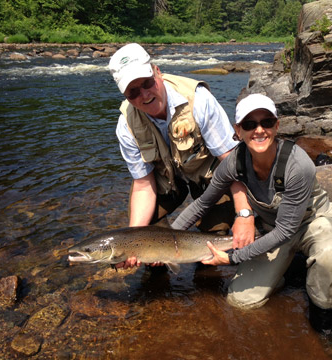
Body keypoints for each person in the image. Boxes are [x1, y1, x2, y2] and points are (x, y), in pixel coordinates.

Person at [171, 93, 332, 336]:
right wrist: (166, 238)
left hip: (313, 222)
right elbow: (202, 204)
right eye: (249, 125)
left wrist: (233, 259)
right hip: (272, 230)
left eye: (266, 122)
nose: (259, 130)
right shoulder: (232, 164)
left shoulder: (298, 165)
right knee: (241, 301)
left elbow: (287, 230)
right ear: (238, 131)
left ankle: (324, 322)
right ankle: (289, 271)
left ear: (277, 126)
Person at [108, 43, 254, 268]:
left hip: (208, 177)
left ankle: (208, 283)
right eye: (133, 92)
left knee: (214, 234)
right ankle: (157, 275)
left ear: (157, 71)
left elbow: (231, 161)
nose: (144, 95)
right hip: (165, 181)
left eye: (147, 83)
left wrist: (245, 214)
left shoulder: (198, 100)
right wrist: (133, 243)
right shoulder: (126, 125)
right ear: (125, 95)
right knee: (147, 228)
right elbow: (143, 185)